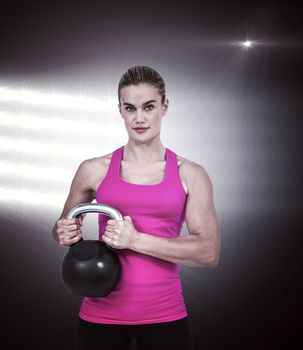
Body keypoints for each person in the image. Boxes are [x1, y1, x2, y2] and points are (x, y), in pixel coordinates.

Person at [52, 65, 221, 350]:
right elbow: (62, 229)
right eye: (130, 108)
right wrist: (63, 232)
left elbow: (208, 252)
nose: (139, 118)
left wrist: (136, 240)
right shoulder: (93, 169)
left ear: (164, 107)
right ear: (120, 110)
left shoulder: (190, 174)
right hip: (99, 315)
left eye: (149, 107)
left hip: (165, 316)